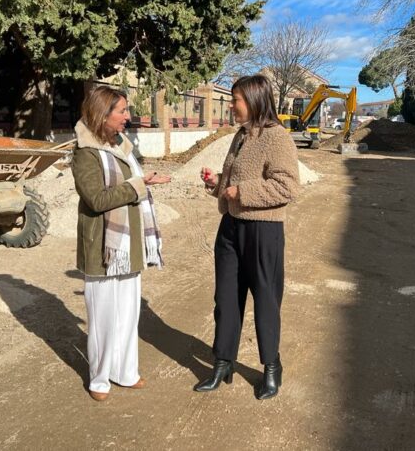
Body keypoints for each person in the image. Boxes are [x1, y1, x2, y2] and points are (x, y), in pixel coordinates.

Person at [195, 74, 300, 400]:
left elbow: (287, 187)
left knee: (266, 301)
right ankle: (222, 363)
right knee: (225, 300)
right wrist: (217, 184)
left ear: (254, 100)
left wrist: (242, 190)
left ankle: (271, 367)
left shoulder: (277, 137)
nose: (231, 107)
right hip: (231, 228)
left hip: (263, 230)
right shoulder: (240, 136)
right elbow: (232, 184)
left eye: (235, 100)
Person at [72, 86, 171, 402]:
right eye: (122, 111)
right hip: (102, 246)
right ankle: (99, 379)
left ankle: (125, 372)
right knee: (102, 317)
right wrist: (139, 186)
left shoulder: (122, 147)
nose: (129, 116)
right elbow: (97, 199)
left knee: (128, 313)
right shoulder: (85, 152)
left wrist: (144, 182)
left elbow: (131, 186)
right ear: (104, 114)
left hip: (129, 245)